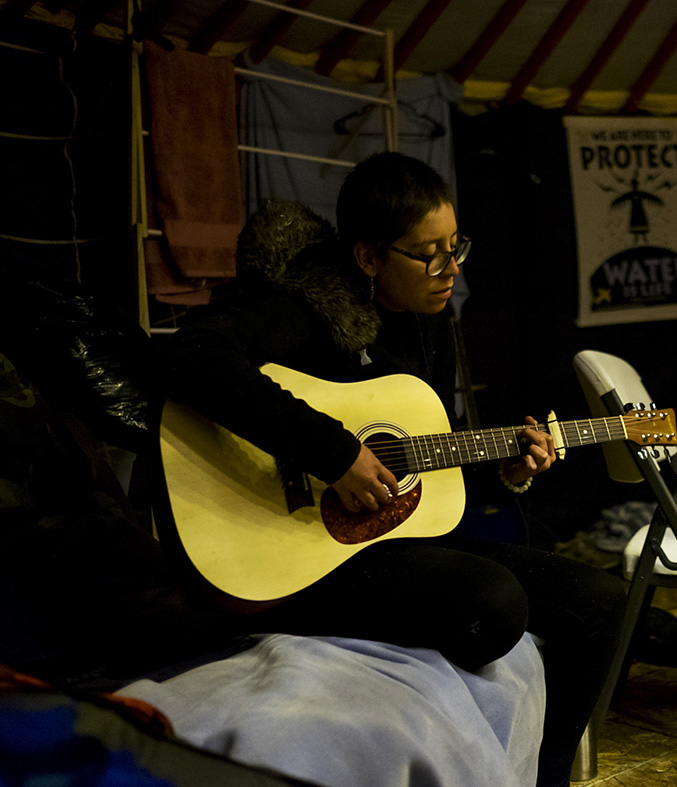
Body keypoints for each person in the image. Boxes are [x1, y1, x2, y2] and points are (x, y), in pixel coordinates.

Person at [156, 152, 626, 787]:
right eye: (429, 254)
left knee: (601, 603)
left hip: (384, 541)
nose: (451, 269)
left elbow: (424, 461)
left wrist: (508, 470)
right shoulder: (305, 307)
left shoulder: (429, 325)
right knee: (493, 605)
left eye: (455, 247)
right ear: (368, 258)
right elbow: (193, 354)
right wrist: (335, 453)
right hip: (294, 550)